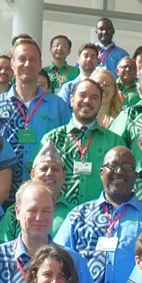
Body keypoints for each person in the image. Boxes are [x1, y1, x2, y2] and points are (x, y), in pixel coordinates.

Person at [54, 145, 142, 283]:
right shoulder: (78, 216)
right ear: (101, 173)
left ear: (136, 175)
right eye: (112, 166)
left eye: (127, 167)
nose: (119, 171)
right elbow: (57, 260)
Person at [0, 37, 70, 197]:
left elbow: (68, 151)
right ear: (12, 64)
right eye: (22, 59)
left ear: (40, 64)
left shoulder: (58, 106)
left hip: (45, 197)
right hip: (4, 195)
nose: (27, 64)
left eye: (33, 59)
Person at [42, 78, 124, 207]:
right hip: (59, 214)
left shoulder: (115, 142)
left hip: (102, 214)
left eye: (94, 97)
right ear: (71, 99)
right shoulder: (52, 139)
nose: (87, 101)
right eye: (82, 95)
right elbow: (38, 179)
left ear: (100, 102)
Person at [0, 143, 74, 245]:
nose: (49, 173)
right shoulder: (14, 212)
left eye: (55, 169)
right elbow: (0, 248)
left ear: (64, 176)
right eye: (44, 169)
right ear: (32, 174)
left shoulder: (74, 213)